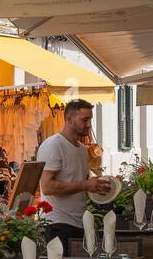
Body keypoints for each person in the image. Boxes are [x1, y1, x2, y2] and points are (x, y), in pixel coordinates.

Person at [37, 99, 112, 249]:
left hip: (78, 223)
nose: (89, 124)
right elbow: (47, 187)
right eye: (84, 119)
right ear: (69, 119)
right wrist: (85, 184)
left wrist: (96, 186)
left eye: (90, 119)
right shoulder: (54, 145)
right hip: (57, 224)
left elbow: (78, 183)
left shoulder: (82, 149)